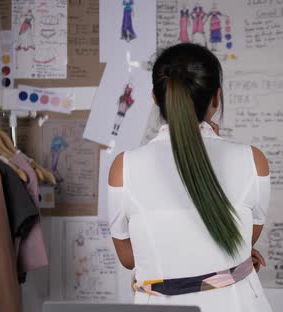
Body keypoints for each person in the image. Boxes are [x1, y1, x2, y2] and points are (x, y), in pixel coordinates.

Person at [108, 43, 272, 311]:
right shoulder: (254, 160)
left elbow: (129, 257)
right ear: (216, 98)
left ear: (156, 97)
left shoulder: (123, 167)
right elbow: (244, 239)